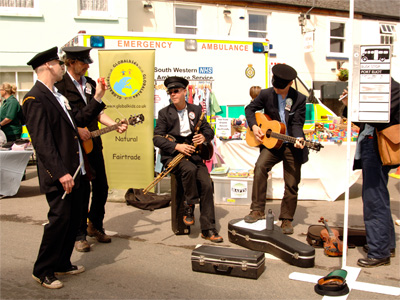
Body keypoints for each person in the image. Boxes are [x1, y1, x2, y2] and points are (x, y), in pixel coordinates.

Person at [23, 46, 106, 289]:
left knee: (72, 220)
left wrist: (98, 97)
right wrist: (61, 173)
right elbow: (42, 142)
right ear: (48, 66)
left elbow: (78, 122)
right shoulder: (34, 98)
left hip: (76, 169)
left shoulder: (57, 96)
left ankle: (62, 262)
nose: (63, 67)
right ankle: (43, 270)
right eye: (59, 64)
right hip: (60, 174)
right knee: (59, 220)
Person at [55, 46, 127, 252]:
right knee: (81, 191)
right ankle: (79, 235)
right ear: (70, 62)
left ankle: (95, 225)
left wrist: (115, 124)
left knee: (102, 186)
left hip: (93, 143)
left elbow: (97, 112)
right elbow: (62, 117)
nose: (87, 66)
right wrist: (77, 129)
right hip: (73, 147)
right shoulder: (60, 86)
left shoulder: (90, 84)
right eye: (83, 62)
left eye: (88, 62)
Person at [153, 76, 223, 243]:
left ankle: (208, 228)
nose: (173, 94)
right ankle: (189, 206)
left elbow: (209, 131)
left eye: (176, 91)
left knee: (206, 184)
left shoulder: (196, 110)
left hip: (193, 154)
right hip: (174, 155)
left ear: (185, 92)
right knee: (189, 170)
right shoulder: (164, 113)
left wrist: (203, 137)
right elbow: (156, 138)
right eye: (170, 92)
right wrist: (177, 147)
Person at [340, 77, 399, 267]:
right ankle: (386, 244)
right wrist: (349, 103)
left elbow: (377, 116)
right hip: (370, 144)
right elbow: (357, 119)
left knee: (374, 199)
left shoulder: (392, 89)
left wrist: (358, 99)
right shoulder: (375, 87)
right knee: (378, 196)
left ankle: (379, 251)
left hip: (377, 147)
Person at [244, 64, 308, 235]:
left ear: (290, 84)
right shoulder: (266, 94)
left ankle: (286, 219)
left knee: (292, 183)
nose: (276, 90)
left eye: (280, 87)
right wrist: (255, 126)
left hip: (290, 144)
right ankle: (257, 209)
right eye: (275, 86)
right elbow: (249, 109)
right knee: (260, 167)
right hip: (272, 143)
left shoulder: (300, 99)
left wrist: (298, 138)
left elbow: (296, 124)